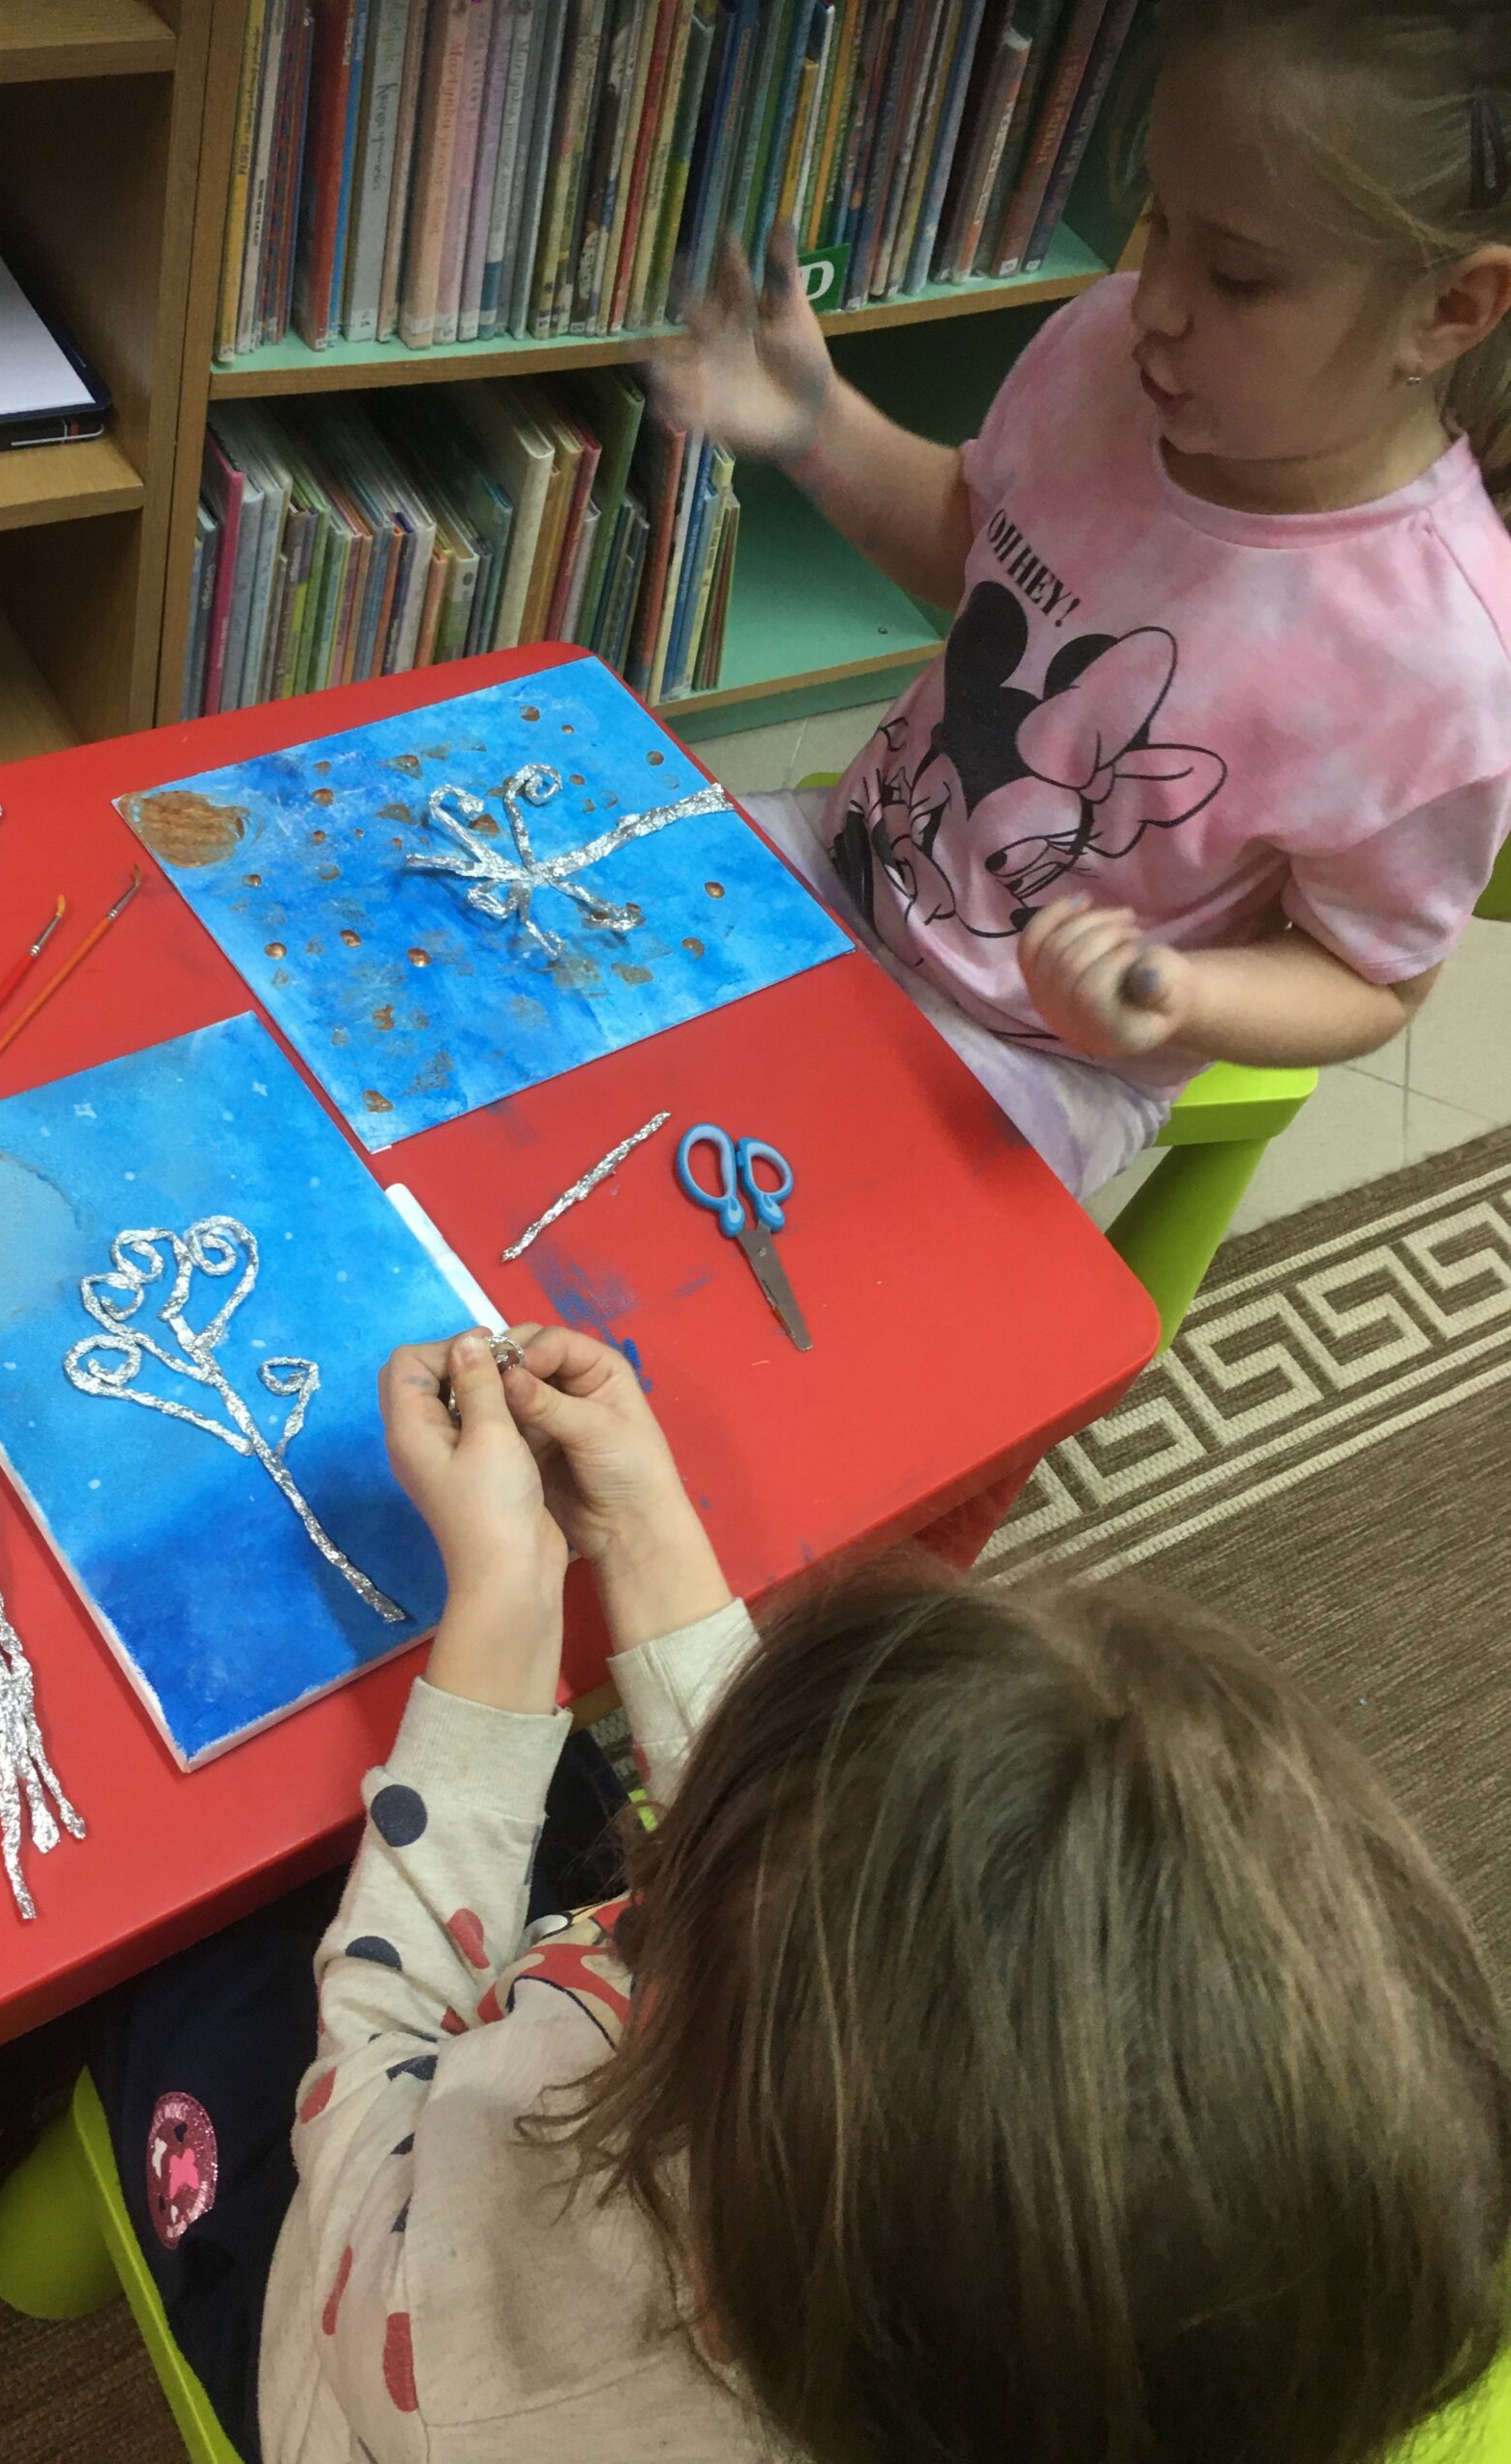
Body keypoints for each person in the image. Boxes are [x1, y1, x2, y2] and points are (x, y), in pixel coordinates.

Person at [190, 1323, 1505, 2464]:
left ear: (713, 2285)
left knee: (192, 1939)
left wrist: (506, 1599)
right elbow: (821, 1848)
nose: (673, 1887)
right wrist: (642, 1532)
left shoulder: (493, 2359)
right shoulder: (1031, 2328)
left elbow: (372, 2062)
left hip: (362, 2306)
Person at [651, 0, 1511, 1198]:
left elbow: (1369, 977)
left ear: (1448, 310)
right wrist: (814, 424)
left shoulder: (1436, 661)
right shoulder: (1106, 350)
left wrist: (1176, 993)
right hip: (844, 864)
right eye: (1158, 221)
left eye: (1236, 275)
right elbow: (977, 556)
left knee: (789, 1252)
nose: (1153, 299)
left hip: (1032, 1054)